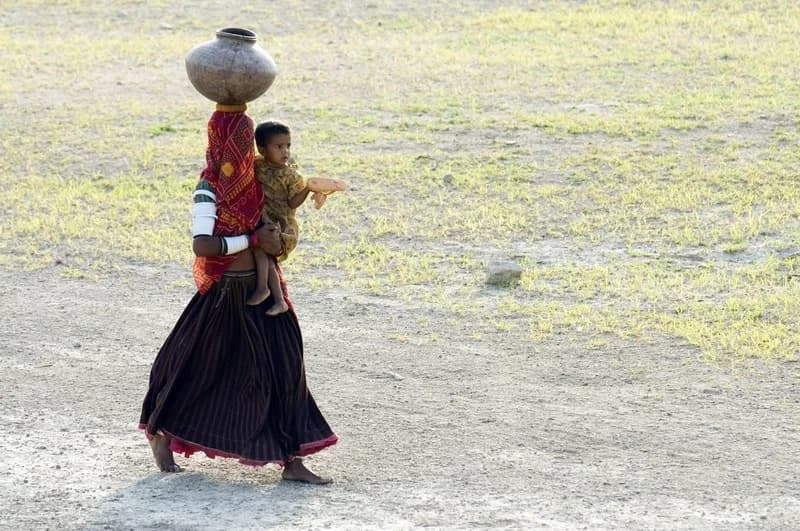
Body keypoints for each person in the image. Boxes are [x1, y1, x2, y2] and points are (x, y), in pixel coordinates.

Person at [138, 105, 337, 484]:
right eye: (234, 142)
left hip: (263, 290)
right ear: (217, 144)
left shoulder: (258, 181)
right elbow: (202, 245)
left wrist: (275, 237)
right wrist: (251, 240)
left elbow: (281, 211)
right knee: (195, 368)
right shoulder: (208, 188)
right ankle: (161, 432)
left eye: (244, 143)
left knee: (286, 368)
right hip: (224, 295)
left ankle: (291, 460)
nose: (238, 151)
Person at [246, 121, 310, 316]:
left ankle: (263, 289)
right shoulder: (258, 164)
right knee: (265, 256)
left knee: (261, 249)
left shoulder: (291, 175)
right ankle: (279, 300)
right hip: (266, 220)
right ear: (262, 150)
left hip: (282, 226)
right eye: (279, 146)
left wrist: (308, 189)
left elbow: (292, 203)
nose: (285, 151)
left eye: (288, 146)